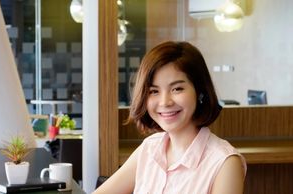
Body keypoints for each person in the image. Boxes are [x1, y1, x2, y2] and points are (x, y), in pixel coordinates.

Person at [93, 41, 246, 194]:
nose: (165, 102)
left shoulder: (224, 162)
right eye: (154, 91)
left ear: (200, 91)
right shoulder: (149, 148)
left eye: (177, 89)